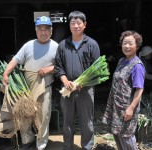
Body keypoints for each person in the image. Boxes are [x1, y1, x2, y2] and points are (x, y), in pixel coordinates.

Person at [2, 16, 58, 150]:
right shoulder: (28, 45)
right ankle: (27, 140)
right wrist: (5, 73)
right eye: (40, 29)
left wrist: (49, 69)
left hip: (45, 88)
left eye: (46, 29)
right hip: (26, 89)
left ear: (51, 30)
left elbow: (62, 67)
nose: (43, 32)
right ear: (36, 30)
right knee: (24, 114)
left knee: (43, 116)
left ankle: (41, 141)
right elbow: (15, 60)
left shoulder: (56, 46)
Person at [54, 11, 100, 150]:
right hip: (67, 89)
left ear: (84, 25)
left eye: (79, 23)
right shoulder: (63, 45)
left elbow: (97, 68)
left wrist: (83, 83)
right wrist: (65, 80)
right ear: (69, 26)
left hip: (85, 89)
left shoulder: (92, 44)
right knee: (67, 121)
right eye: (73, 23)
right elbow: (58, 66)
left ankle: (87, 146)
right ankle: (67, 146)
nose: (76, 26)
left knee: (87, 121)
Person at [102, 30, 145, 150]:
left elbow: (139, 90)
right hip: (116, 106)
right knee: (116, 133)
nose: (127, 46)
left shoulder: (137, 66)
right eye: (124, 43)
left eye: (130, 43)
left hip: (127, 108)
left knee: (127, 136)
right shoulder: (122, 61)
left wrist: (131, 109)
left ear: (137, 45)